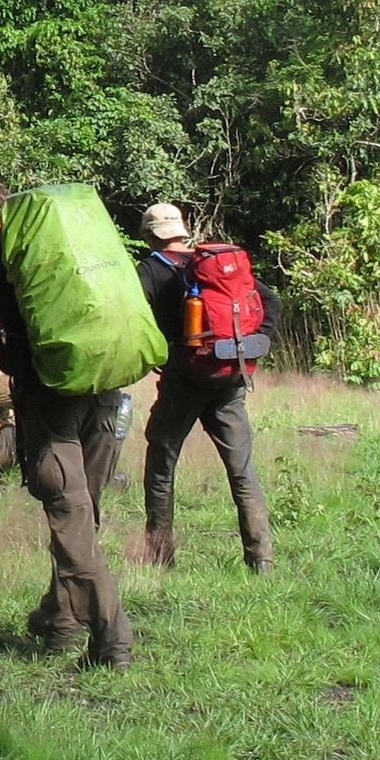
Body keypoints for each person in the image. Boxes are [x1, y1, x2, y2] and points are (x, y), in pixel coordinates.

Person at [0, 179, 131, 668]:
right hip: (104, 380)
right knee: (83, 508)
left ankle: (111, 639)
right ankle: (59, 620)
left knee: (68, 512)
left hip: (49, 390)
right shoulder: (54, 240)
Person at [136, 202, 276, 573]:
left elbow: (136, 324)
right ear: (182, 230)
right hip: (230, 379)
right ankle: (261, 559)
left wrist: (160, 357)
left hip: (183, 381)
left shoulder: (150, 270)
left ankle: (159, 556)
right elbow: (271, 301)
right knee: (242, 469)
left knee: (162, 464)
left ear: (149, 235)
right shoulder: (214, 263)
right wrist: (248, 347)